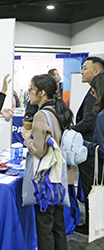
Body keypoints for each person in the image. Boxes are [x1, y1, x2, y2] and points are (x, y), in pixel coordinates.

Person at [22, 74, 74, 250]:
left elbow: (39, 150)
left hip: (45, 181)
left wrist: (27, 138)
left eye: (31, 89)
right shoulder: (59, 111)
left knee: (44, 229)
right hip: (58, 177)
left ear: (42, 92)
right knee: (58, 227)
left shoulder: (41, 115)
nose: (29, 93)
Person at [72, 56, 104, 235]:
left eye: (85, 68)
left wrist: (71, 132)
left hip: (92, 150)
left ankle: (93, 225)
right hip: (94, 148)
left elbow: (89, 121)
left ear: (96, 71)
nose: (82, 72)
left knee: (91, 188)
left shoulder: (96, 93)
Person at [83, 73, 104, 182]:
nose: (93, 94)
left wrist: (84, 144)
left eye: (94, 91)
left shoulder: (102, 116)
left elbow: (102, 149)